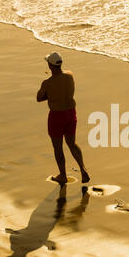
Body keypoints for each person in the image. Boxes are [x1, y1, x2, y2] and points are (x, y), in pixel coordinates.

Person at [37, 52, 90, 185]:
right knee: (72, 143)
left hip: (56, 116)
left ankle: (63, 175)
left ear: (50, 65)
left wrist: (50, 96)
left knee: (58, 147)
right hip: (71, 113)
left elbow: (39, 98)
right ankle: (83, 169)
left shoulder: (47, 83)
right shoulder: (69, 75)